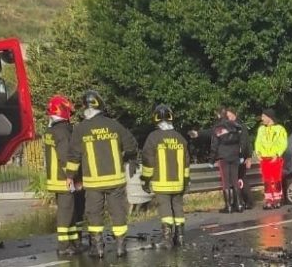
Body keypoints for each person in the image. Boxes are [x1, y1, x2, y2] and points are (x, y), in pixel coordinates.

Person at [65, 90, 139, 258]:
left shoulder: (81, 129)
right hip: (116, 181)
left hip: (93, 183)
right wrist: (126, 159)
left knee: (94, 213)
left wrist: (70, 176)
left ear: (85, 108)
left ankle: (97, 248)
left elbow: (74, 156)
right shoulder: (114, 125)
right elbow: (131, 146)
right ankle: (121, 247)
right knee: (118, 212)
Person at [141, 104, 191, 249]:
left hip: (161, 183)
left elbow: (147, 161)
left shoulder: (153, 137)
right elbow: (186, 162)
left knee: (165, 209)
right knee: (178, 207)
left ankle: (167, 239)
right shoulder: (180, 138)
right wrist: (186, 181)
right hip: (179, 182)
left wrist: (145, 180)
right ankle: (180, 237)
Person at [43, 95, 81, 256]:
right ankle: (64, 246)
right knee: (66, 212)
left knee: (68, 210)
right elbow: (66, 157)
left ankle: (73, 242)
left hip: (55, 178)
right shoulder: (63, 132)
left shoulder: (50, 131)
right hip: (64, 179)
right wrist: (72, 177)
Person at [209, 108, 246, 213]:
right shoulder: (236, 126)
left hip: (223, 156)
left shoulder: (218, 128)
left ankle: (228, 206)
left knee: (225, 181)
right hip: (235, 156)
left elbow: (214, 145)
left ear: (219, 115)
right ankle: (239, 204)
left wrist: (211, 160)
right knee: (235, 180)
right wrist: (241, 155)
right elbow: (241, 143)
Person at [255, 109, 288, 209]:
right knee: (266, 180)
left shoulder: (279, 129)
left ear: (269, 117)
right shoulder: (261, 129)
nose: (262, 118)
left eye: (264, 116)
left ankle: (278, 199)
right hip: (264, 158)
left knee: (276, 179)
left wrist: (277, 154)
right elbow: (258, 142)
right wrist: (258, 153)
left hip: (275, 157)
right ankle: (269, 200)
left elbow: (283, 143)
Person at [225, 108, 255, 210]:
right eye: (227, 117)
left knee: (241, 180)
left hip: (240, 157)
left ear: (235, 115)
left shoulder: (240, 126)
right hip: (232, 157)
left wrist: (248, 157)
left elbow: (246, 143)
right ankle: (238, 201)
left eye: (230, 116)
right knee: (234, 180)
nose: (229, 118)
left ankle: (248, 201)